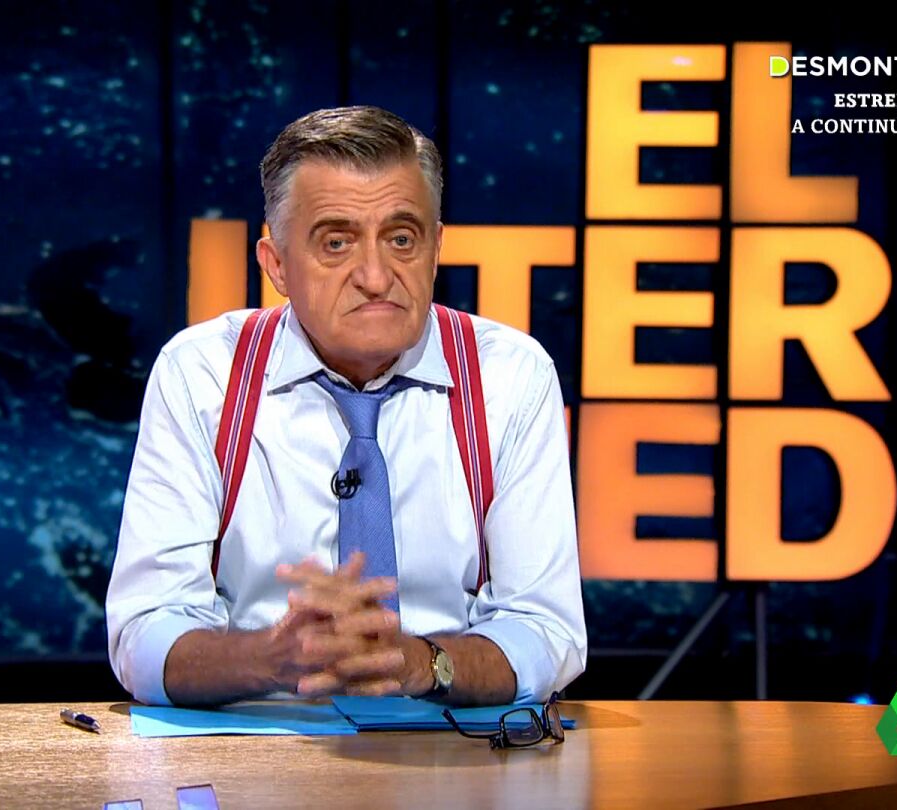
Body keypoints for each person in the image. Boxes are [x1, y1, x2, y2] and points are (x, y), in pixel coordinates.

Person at [106, 105, 585, 707]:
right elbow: (144, 635)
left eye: (402, 239)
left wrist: (418, 662)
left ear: (437, 249)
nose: (376, 277)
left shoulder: (509, 376)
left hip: (451, 740)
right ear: (276, 265)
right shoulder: (202, 374)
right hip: (257, 741)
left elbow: (546, 630)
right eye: (337, 243)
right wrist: (272, 658)